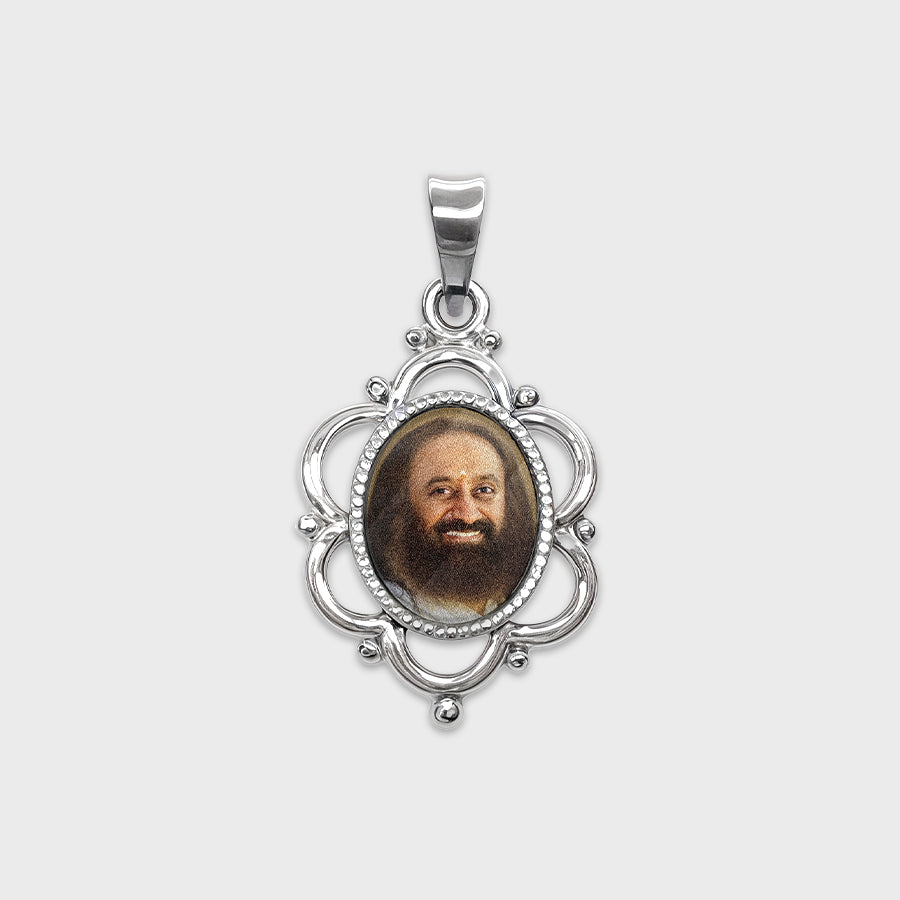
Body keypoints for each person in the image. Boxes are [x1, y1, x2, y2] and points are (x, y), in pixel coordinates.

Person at [365, 411, 536, 624]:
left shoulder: (526, 601)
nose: (467, 515)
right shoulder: (378, 603)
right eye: (441, 491)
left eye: (484, 490)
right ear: (401, 505)